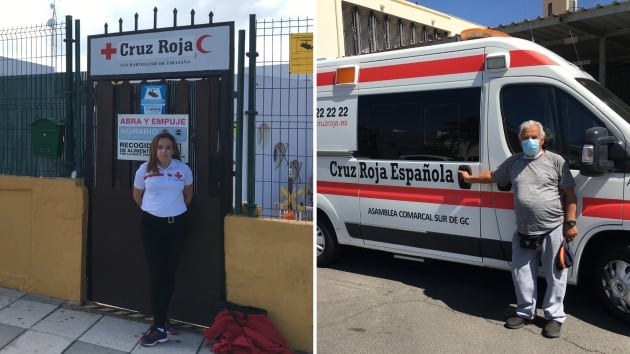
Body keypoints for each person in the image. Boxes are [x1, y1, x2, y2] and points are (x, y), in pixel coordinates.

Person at [459, 120, 577, 338]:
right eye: (525, 138)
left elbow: (570, 195)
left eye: (534, 137)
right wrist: (469, 178)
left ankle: (554, 317)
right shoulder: (514, 162)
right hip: (524, 230)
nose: (530, 141)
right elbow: (492, 176)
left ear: (542, 140)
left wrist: (570, 223)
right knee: (522, 275)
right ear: (520, 140)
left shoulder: (556, 161)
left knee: (556, 275)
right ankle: (525, 312)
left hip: (553, 229)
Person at [132, 132, 193, 347]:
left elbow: (188, 195)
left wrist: (172, 212)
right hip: (152, 227)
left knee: (169, 275)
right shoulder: (144, 169)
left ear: (174, 149)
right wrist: (154, 213)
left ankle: (162, 318)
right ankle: (158, 328)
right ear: (154, 149)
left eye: (168, 147)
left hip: (177, 226)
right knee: (157, 274)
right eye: (160, 147)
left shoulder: (183, 169)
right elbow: (137, 196)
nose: (164, 151)